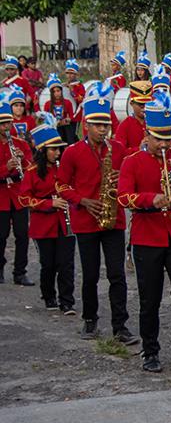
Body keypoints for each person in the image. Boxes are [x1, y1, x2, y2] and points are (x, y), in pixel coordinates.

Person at [116, 89, 171, 373]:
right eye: (159, 139)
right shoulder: (132, 161)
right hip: (146, 237)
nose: (165, 144)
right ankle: (150, 351)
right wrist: (149, 200)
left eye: (168, 138)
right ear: (147, 136)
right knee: (149, 299)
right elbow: (123, 197)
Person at [58, 81, 135, 342]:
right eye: (98, 125)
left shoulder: (119, 150)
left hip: (114, 219)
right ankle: (90, 320)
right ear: (86, 126)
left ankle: (120, 326)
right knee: (90, 275)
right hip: (85, 220)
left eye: (106, 125)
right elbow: (61, 185)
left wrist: (120, 179)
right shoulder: (72, 153)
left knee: (117, 275)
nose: (103, 130)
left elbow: (130, 181)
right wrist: (82, 200)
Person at [19, 114, 74, 313]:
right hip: (43, 225)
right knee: (48, 264)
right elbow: (24, 199)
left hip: (65, 222)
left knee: (66, 264)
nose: (57, 153)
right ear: (43, 151)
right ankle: (49, 296)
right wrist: (48, 203)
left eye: (59, 148)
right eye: (53, 149)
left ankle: (67, 300)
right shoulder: (32, 172)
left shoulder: (66, 168)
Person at [0, 91, 34, 286]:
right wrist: (7, 169)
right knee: (1, 236)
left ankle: (20, 272)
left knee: (22, 235)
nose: (6, 128)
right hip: (2, 195)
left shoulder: (20, 143)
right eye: (3, 124)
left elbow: (31, 170)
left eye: (8, 124)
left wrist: (23, 160)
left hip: (19, 196)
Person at [40, 74, 76, 145]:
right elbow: (46, 121)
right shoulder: (47, 104)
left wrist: (68, 119)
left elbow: (71, 117)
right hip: (54, 129)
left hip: (65, 129)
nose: (56, 93)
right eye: (54, 92)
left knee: (68, 132)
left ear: (61, 91)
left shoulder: (68, 103)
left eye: (58, 91)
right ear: (51, 93)